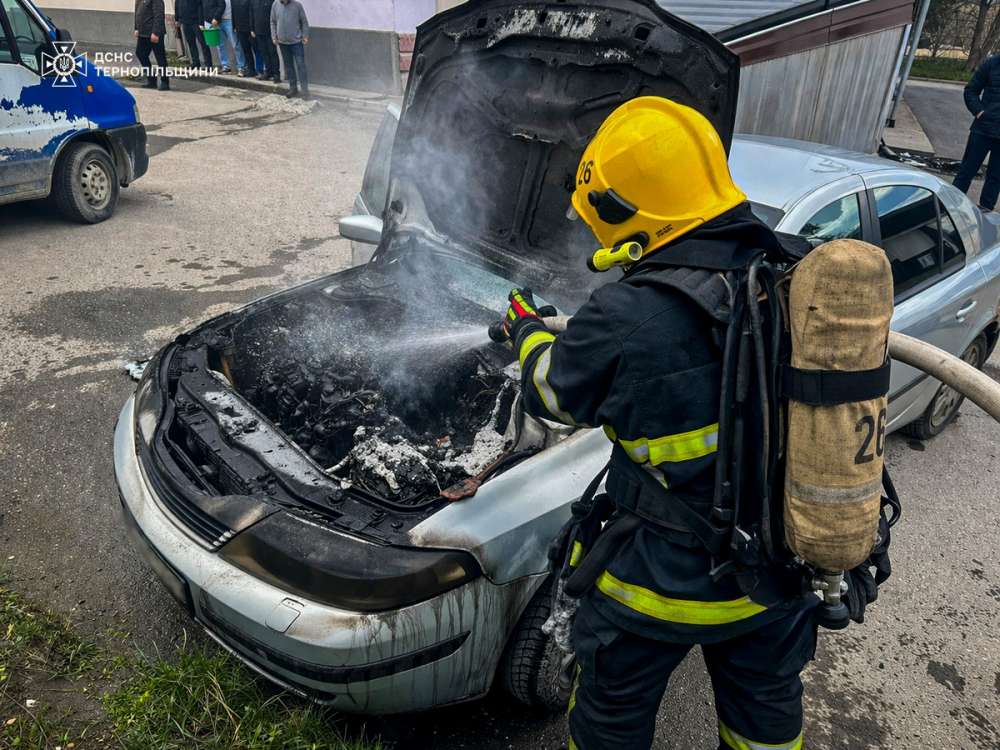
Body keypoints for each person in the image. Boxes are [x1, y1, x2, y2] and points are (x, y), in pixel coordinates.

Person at [499, 97, 847, 750]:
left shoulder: (623, 316)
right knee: (766, 723)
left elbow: (549, 394)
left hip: (652, 587)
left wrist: (525, 331)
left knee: (611, 724)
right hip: (776, 575)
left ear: (629, 213)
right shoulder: (795, 272)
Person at [954, 54, 1000, 211]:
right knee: (966, 171)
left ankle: (986, 212)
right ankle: (951, 207)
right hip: (982, 129)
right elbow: (971, 90)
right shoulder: (992, 64)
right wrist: (979, 111)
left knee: (996, 177)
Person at [271, 0, 309, 99]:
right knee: (289, 66)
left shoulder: (297, 5)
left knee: (301, 66)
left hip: (296, 42)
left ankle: (305, 90)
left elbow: (304, 22)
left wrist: (305, 36)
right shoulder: (275, 4)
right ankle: (293, 88)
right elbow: (273, 22)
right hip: (283, 43)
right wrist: (274, 36)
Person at [134, 0, 168, 90]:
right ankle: (152, 80)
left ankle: (165, 82)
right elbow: (137, 12)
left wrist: (155, 32)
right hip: (143, 33)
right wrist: (136, 28)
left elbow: (159, 15)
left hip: (153, 33)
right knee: (140, 54)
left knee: (160, 57)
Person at [174, 0, 211, 69]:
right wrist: (176, 19)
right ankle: (196, 63)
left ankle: (208, 64)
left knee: (203, 43)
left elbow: (200, 7)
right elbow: (176, 6)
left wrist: (201, 22)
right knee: (191, 43)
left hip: (196, 22)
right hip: (185, 22)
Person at [249, 0, 279, 83]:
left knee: (272, 53)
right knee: (264, 53)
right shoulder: (253, 2)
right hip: (258, 31)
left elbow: (275, 17)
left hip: (270, 32)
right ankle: (268, 72)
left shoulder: (272, 1)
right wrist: (252, 29)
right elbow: (251, 14)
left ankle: (276, 74)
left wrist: (275, 31)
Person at [215, 0, 246, 74]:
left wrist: (235, 22)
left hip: (230, 20)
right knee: (220, 45)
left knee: (235, 44)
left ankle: (241, 67)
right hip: (218, 20)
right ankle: (225, 66)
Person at [231, 0, 255, 77]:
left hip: (250, 29)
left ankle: (260, 69)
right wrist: (234, 26)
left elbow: (251, 13)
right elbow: (233, 13)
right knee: (246, 50)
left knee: (256, 49)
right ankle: (251, 70)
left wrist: (252, 28)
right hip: (240, 28)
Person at [200, 0, 225, 69]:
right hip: (208, 22)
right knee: (218, 45)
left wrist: (216, 18)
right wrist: (201, 23)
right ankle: (224, 65)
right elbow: (201, 8)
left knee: (231, 44)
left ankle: (239, 66)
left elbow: (222, 5)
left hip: (217, 21)